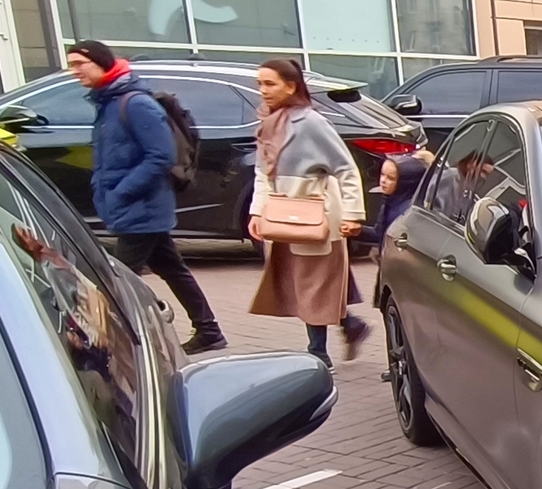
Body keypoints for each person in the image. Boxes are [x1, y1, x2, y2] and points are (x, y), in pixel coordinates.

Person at [67, 40, 225, 354]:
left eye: (79, 65)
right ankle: (208, 330)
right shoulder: (109, 102)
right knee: (171, 268)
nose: (74, 72)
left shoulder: (134, 103)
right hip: (133, 207)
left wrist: (123, 191)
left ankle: (108, 343)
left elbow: (161, 156)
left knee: (114, 280)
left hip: (142, 208)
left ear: (100, 63)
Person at [246, 59, 368, 363]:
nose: (263, 91)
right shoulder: (267, 122)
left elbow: (345, 168)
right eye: (260, 84)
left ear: (291, 86)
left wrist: (353, 214)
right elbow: (263, 172)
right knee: (301, 280)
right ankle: (350, 325)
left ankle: (318, 353)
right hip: (280, 213)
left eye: (270, 83)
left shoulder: (311, 122)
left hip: (314, 212)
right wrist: (257, 212)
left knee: (313, 281)